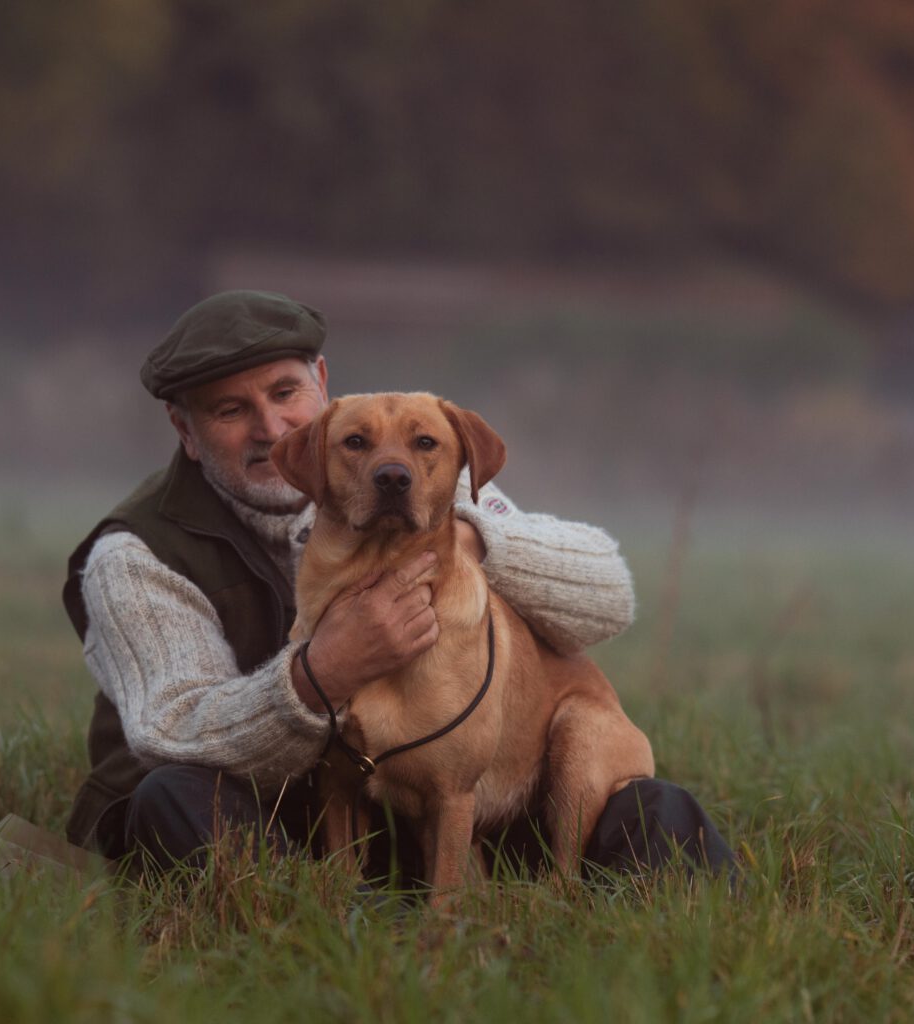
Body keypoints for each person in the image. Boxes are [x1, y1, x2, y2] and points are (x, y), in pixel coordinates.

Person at [63, 289, 734, 880]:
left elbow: (606, 594)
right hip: (267, 813)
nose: (270, 429)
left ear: (320, 382)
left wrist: (469, 541)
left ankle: (652, 937)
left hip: (413, 800)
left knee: (659, 814)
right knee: (175, 800)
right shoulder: (134, 555)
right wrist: (319, 674)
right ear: (185, 430)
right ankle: (296, 919)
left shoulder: (416, 475)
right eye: (230, 410)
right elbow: (175, 730)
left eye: (285, 393)